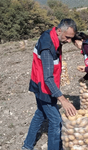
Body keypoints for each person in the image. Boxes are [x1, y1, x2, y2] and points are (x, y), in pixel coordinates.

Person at [22, 19, 77, 150]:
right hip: (43, 87)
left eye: (71, 38)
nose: (69, 41)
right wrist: (62, 100)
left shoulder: (53, 35)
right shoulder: (47, 47)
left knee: (40, 114)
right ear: (59, 31)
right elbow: (47, 78)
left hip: (39, 83)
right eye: (67, 37)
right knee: (55, 120)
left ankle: (27, 145)